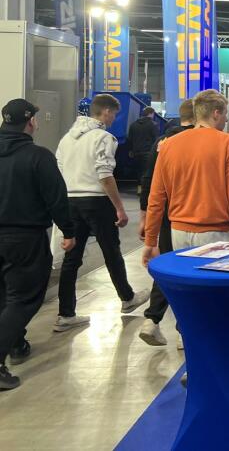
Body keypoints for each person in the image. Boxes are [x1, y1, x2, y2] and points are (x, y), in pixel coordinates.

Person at [55, 94, 149, 333]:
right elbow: (105, 175)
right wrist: (119, 208)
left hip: (71, 201)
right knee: (111, 251)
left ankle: (66, 314)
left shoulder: (66, 139)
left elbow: (60, 171)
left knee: (71, 259)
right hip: (97, 201)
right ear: (106, 111)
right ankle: (127, 298)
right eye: (114, 114)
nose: (114, 118)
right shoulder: (103, 137)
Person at [0, 100, 75, 390]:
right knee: (23, 299)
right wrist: (68, 231)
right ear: (30, 121)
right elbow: (56, 197)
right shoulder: (38, 157)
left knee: (5, 295)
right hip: (24, 238)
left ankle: (16, 344)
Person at [142, 89, 229, 268]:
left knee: (188, 281)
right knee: (220, 283)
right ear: (216, 113)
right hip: (215, 232)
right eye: (225, 114)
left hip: (178, 233)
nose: (226, 119)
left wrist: (150, 240)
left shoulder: (168, 145)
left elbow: (156, 197)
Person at [137, 99, 195, 347]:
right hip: (190, 214)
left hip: (164, 215)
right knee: (191, 271)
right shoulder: (198, 143)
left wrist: (145, 216)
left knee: (170, 266)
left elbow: (149, 179)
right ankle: (184, 330)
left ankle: (152, 319)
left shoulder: (162, 142)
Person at [127, 106, 159, 185]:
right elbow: (156, 139)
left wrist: (130, 151)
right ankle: (145, 189)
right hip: (148, 152)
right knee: (147, 173)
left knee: (139, 171)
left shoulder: (133, 125)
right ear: (151, 114)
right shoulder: (153, 124)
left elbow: (130, 139)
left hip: (136, 153)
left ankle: (139, 188)